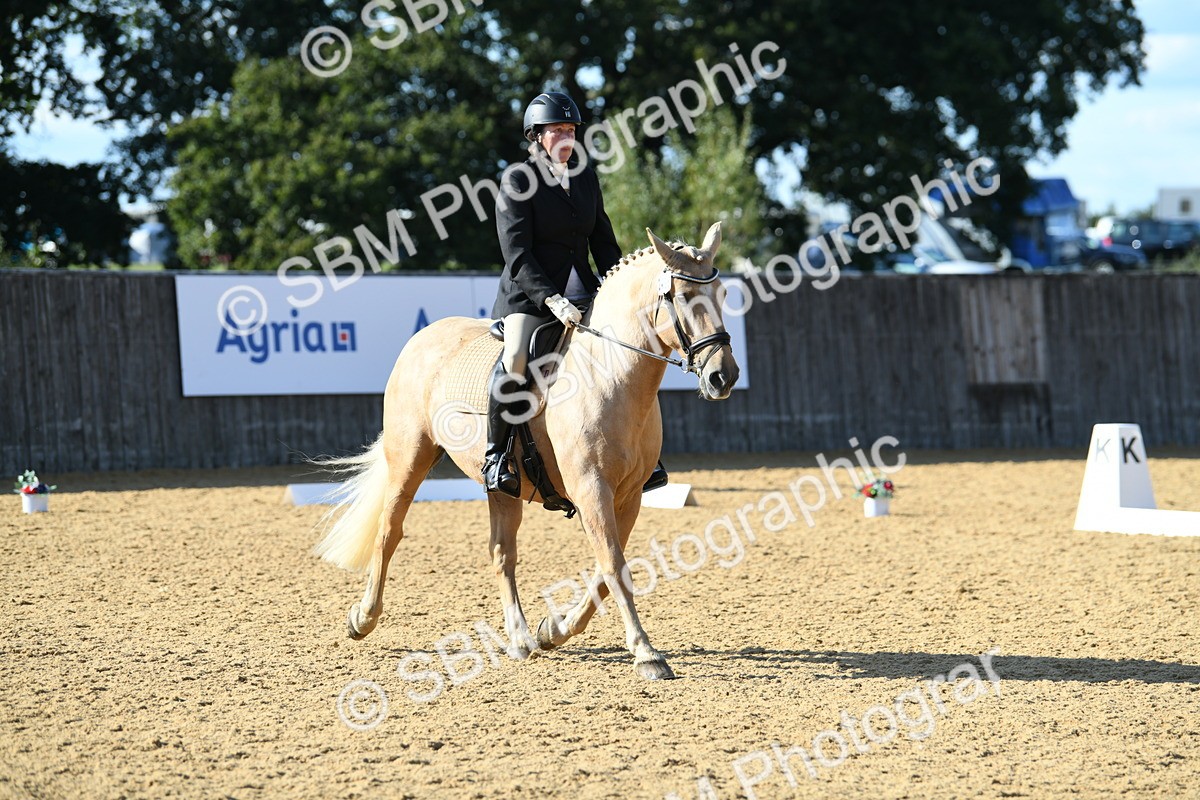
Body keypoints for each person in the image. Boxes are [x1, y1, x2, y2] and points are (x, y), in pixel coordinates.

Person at [485, 91, 668, 496]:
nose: (566, 137)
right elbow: (517, 253)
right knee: (516, 357)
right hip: (530, 296)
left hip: (585, 290)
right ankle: (496, 456)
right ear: (536, 136)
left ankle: (646, 456)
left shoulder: (584, 177)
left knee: (632, 350)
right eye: (557, 130)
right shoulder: (517, 180)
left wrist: (619, 286)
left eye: (571, 130)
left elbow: (603, 241)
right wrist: (551, 299)